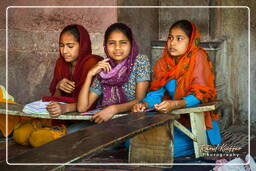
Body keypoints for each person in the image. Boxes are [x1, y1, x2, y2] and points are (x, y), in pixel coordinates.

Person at [132, 20, 221, 157]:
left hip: (197, 124)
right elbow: (156, 93)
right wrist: (143, 104)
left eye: (179, 38)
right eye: (170, 38)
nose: (172, 43)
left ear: (190, 41)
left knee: (159, 148)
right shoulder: (163, 63)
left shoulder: (198, 57)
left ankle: (204, 143)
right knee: (131, 141)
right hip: (174, 120)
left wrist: (176, 104)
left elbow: (201, 94)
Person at [13, 24, 102, 147]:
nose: (64, 51)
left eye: (70, 46)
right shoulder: (61, 63)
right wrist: (59, 87)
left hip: (85, 118)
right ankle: (45, 126)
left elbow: (92, 103)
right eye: (61, 45)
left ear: (82, 46)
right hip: (61, 116)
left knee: (37, 139)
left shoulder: (93, 63)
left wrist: (65, 108)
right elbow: (56, 98)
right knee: (20, 135)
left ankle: (56, 131)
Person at [77, 23, 151, 123]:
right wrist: (90, 74)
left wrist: (113, 109)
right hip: (107, 122)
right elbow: (82, 108)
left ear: (131, 44)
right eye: (111, 43)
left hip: (134, 120)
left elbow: (140, 99)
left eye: (123, 42)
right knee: (72, 131)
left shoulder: (140, 61)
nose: (117, 48)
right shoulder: (105, 68)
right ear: (105, 45)